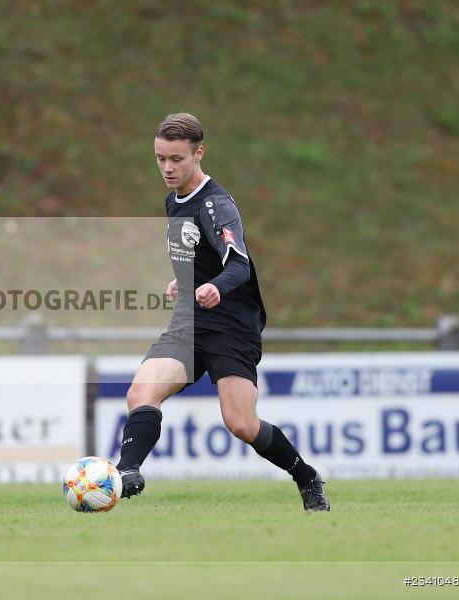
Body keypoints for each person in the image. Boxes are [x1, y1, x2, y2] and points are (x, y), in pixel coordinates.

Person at [116, 113, 329, 511]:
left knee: (241, 424)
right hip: (189, 320)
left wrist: (216, 286)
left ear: (199, 153)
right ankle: (126, 474)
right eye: (160, 158)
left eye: (176, 159)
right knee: (141, 391)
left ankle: (306, 476)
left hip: (231, 326)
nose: (167, 167)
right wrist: (185, 280)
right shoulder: (172, 200)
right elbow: (199, 255)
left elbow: (238, 264)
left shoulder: (217, 205)